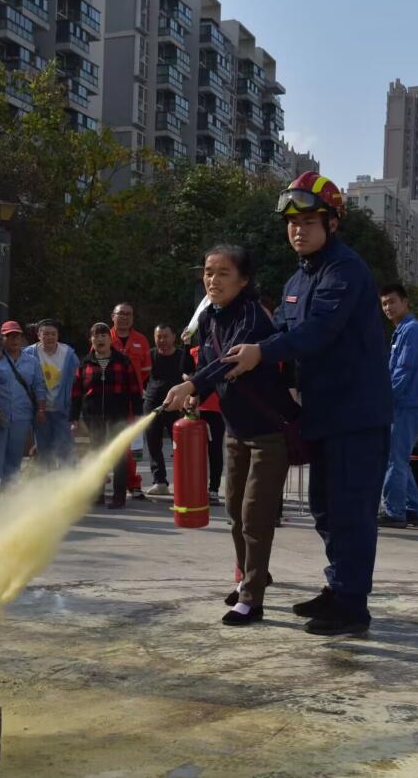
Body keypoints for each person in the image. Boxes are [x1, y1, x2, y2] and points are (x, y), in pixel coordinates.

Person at [220, 172, 392, 637]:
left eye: (310, 221)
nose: (299, 230)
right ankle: (338, 588)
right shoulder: (299, 276)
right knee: (325, 508)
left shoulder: (346, 271)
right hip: (320, 413)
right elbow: (283, 334)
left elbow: (318, 333)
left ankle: (353, 604)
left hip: (356, 414)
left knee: (351, 509)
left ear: (333, 223)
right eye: (292, 223)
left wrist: (263, 352)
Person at [163, 245, 298, 627]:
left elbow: (227, 364)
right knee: (234, 509)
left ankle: (251, 597)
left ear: (243, 280)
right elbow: (207, 366)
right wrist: (194, 394)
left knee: (256, 514)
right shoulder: (208, 320)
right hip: (235, 430)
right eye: (208, 272)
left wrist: (191, 386)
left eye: (223, 273)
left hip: (269, 432)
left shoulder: (253, 316)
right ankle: (254, 573)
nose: (212, 280)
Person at [71, 323, 143, 509]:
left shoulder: (123, 361)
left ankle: (119, 495)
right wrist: (73, 417)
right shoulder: (85, 363)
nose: (100, 339)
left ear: (110, 339)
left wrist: (137, 413)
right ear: (91, 340)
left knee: (118, 456)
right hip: (92, 417)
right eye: (96, 336)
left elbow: (134, 389)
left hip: (117, 416)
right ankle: (98, 494)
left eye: (104, 335)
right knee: (97, 455)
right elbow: (77, 392)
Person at [377, 284, 418, 528]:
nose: (388, 307)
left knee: (392, 460)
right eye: (384, 303)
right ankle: (413, 508)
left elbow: (403, 371)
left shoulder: (411, 330)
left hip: (404, 404)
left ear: (405, 302)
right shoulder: (401, 331)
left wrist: (385, 399)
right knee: (399, 458)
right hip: (403, 403)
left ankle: (395, 511)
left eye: (392, 302)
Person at [0, 321, 47, 491]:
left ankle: (8, 494)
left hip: (22, 417)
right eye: (9, 336)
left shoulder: (32, 362)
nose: (14, 340)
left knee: (14, 458)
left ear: (22, 338)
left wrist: (41, 409)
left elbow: (39, 387)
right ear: (2, 338)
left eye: (17, 336)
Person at [144, 324, 195, 495]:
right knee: (153, 443)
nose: (162, 340)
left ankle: (185, 482)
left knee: (180, 446)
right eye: (158, 336)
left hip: (176, 406)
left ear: (174, 337)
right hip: (152, 405)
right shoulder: (150, 355)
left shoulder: (182, 356)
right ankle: (160, 482)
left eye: (165, 336)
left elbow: (191, 377)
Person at [25, 318, 80, 470]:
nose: (49, 337)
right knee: (43, 450)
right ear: (38, 335)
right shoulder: (29, 353)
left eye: (53, 334)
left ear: (58, 335)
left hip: (62, 409)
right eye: (46, 334)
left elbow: (78, 381)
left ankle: (67, 484)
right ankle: (45, 485)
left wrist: (76, 410)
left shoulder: (68, 354)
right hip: (39, 410)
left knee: (65, 449)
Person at [110, 302, 152, 499]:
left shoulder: (141, 340)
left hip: (133, 400)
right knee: (106, 440)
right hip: (110, 399)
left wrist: (134, 389)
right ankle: (103, 481)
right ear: (113, 316)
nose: (125, 317)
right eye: (121, 314)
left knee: (134, 443)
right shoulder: (104, 336)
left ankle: (133, 482)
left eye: (129, 314)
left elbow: (145, 372)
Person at [189, 341, 226, 505]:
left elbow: (214, 377)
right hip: (196, 409)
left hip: (215, 408)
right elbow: (187, 371)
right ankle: (196, 488)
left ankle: (213, 489)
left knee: (215, 450)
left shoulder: (222, 347)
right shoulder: (195, 351)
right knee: (195, 453)